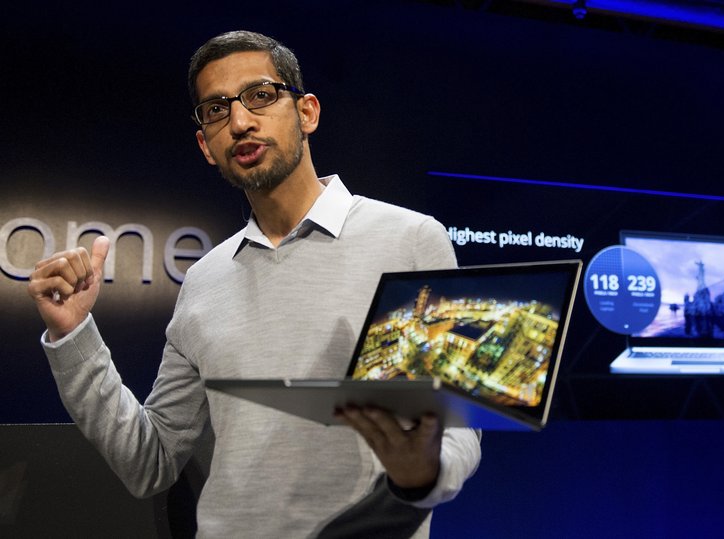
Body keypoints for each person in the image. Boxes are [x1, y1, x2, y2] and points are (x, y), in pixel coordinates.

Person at [27, 30, 480, 537]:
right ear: (205, 145)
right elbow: (149, 461)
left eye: (260, 96)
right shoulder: (203, 280)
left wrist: (421, 469)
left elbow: (459, 432)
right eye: (216, 110)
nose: (240, 122)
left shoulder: (412, 239)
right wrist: (73, 337)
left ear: (306, 113)